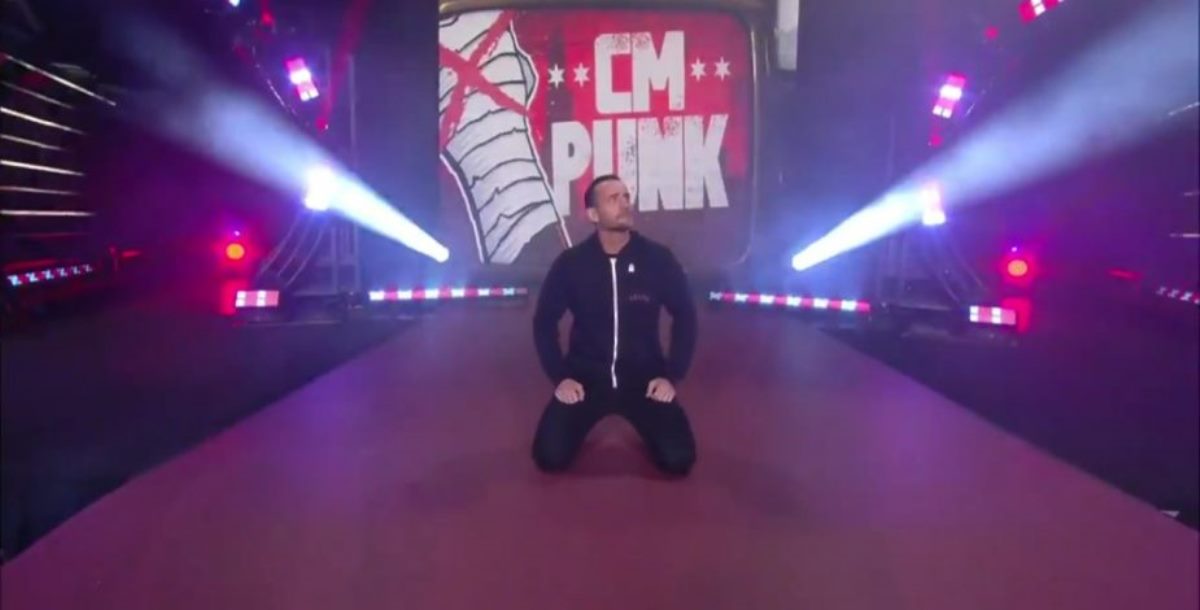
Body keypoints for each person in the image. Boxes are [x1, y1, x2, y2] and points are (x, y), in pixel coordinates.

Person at [531, 174, 699, 477]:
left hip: (644, 380)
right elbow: (544, 322)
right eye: (613, 199)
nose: (624, 204)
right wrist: (561, 378)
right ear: (593, 215)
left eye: (626, 197)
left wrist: (671, 376)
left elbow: (685, 315)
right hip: (586, 380)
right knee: (549, 457)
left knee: (679, 460)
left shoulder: (658, 259)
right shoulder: (571, 263)